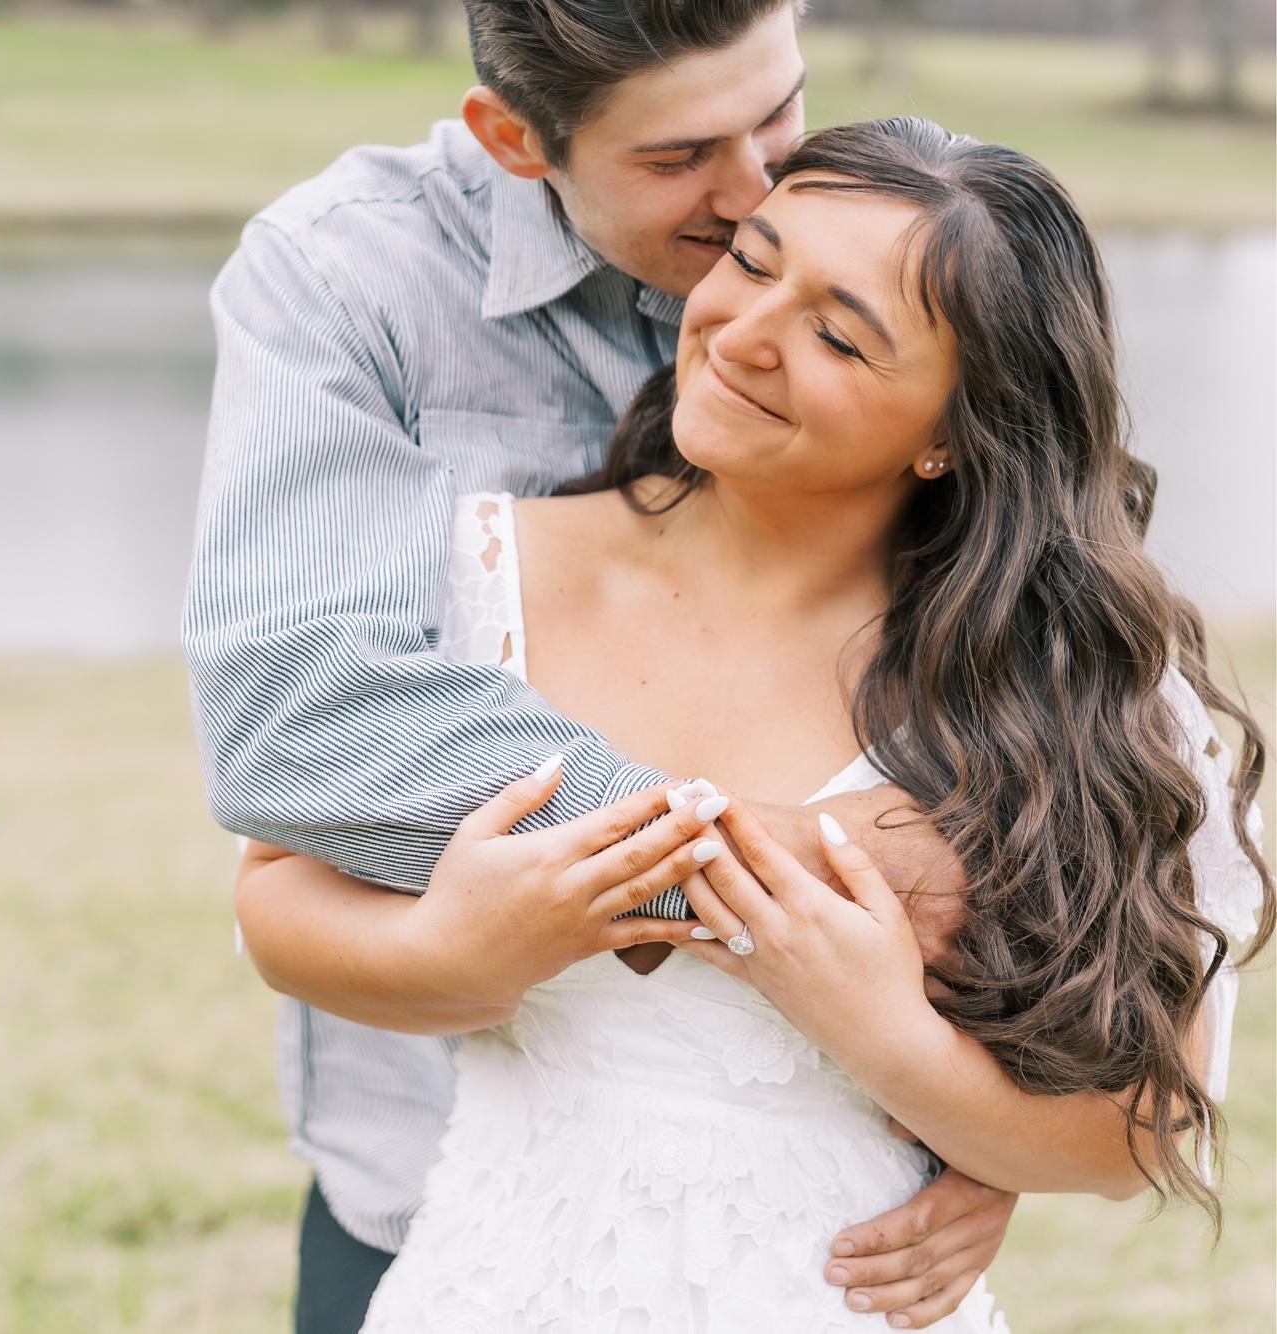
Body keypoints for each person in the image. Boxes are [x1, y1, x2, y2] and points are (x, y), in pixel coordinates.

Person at [241, 120, 1271, 1331]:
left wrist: (896, 1045)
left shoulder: (1052, 690)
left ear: (952, 431)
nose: (740, 334)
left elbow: (1134, 1134)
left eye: (837, 334)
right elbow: (276, 897)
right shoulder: (476, 569)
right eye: (750, 260)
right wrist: (457, 951)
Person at [186, 4, 1020, 1330]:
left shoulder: (873, 240)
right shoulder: (344, 277)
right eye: (679, 156)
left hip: (831, 1212)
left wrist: (986, 1119)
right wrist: (772, 858)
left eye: (776, 111)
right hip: (432, 1180)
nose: (753, 189)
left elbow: (1016, 621)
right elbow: (300, 723)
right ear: (515, 138)